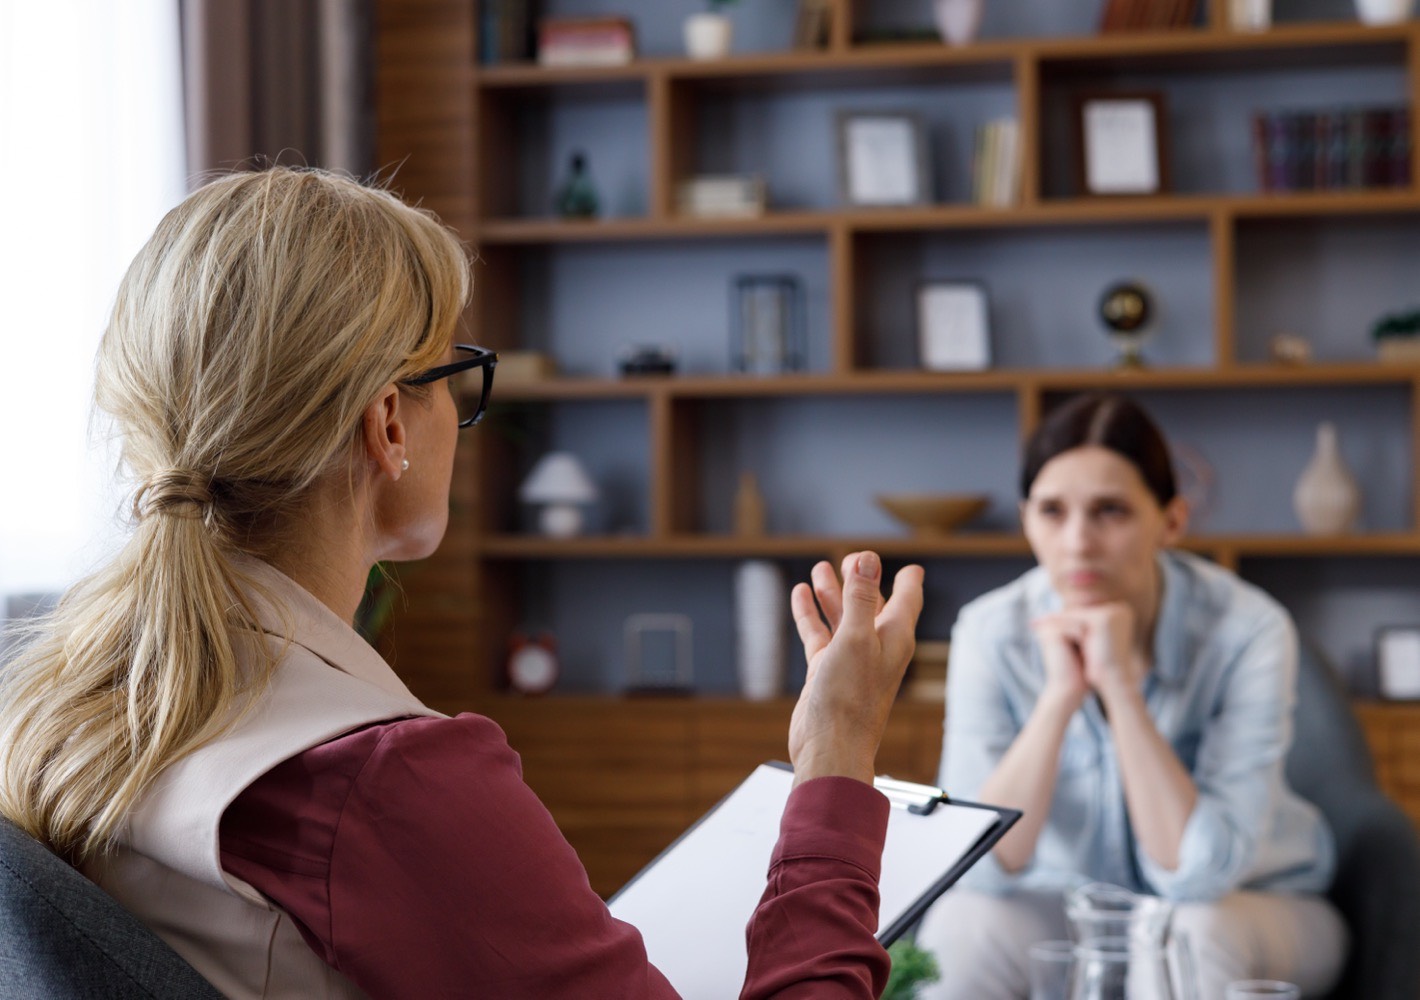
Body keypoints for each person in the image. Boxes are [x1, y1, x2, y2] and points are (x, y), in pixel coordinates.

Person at [0, 167, 925, 999]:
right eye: (453, 373)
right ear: (388, 426)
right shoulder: (379, 785)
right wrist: (837, 756)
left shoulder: (61, 712)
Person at [916, 392, 1345, 1000]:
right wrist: (1059, 698)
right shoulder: (991, 631)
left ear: (1171, 521)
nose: (1077, 542)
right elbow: (977, 868)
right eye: (1052, 511)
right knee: (961, 926)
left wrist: (1119, 688)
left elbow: (1199, 875)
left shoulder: (1249, 629)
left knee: (1192, 933)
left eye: (1110, 511)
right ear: (1026, 519)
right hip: (1070, 907)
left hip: (1253, 904)